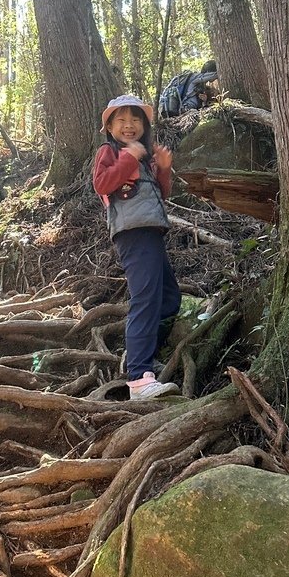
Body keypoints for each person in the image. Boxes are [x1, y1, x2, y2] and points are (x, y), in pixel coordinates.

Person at [92, 94, 182, 401]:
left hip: (151, 232)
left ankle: (139, 355)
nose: (129, 126)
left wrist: (164, 169)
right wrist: (128, 157)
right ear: (109, 126)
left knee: (169, 297)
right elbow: (102, 183)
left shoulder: (142, 157)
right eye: (122, 121)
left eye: (135, 120)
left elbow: (160, 194)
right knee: (145, 300)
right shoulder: (110, 150)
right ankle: (140, 379)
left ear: (144, 125)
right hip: (132, 234)